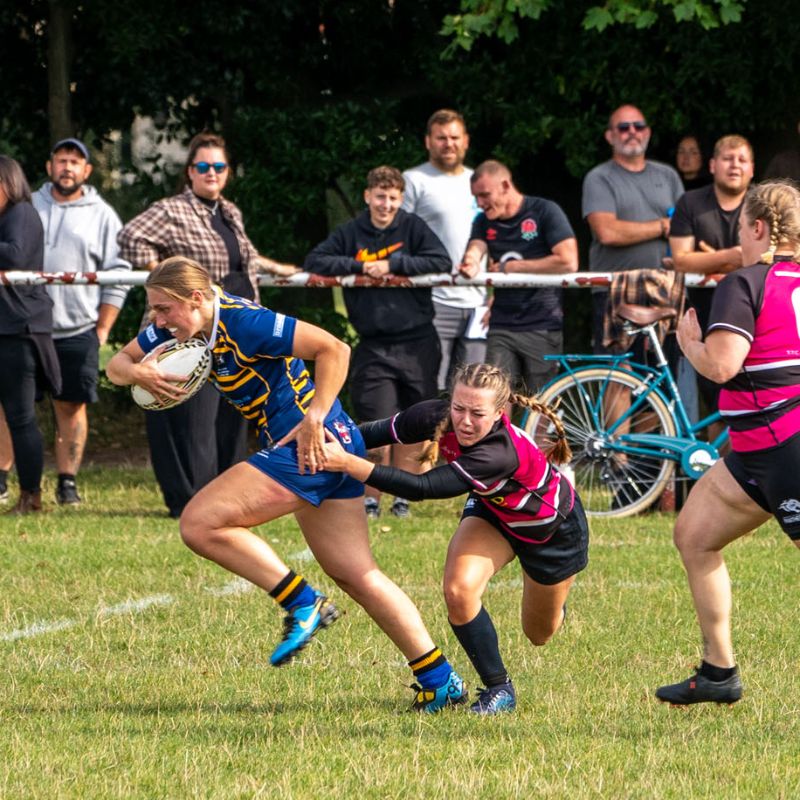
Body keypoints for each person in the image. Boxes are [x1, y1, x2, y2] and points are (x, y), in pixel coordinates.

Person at [106, 256, 466, 712]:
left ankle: (303, 602)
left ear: (195, 299)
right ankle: (440, 681)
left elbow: (335, 349)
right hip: (323, 446)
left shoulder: (245, 321)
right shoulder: (180, 325)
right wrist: (139, 373)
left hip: (310, 442)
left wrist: (316, 415)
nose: (156, 321)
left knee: (200, 523)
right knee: (358, 574)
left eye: (163, 310)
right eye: (153, 311)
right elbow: (118, 365)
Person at [322, 362, 589, 715]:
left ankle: (555, 599)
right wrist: (325, 435)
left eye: (476, 413)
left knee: (539, 633)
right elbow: (374, 433)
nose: (464, 421)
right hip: (494, 511)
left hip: (550, 531)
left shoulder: (499, 451)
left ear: (498, 414)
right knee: (459, 591)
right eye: (459, 408)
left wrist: (349, 464)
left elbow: (423, 487)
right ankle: (499, 689)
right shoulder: (437, 415)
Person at [656, 181, 800, 705]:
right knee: (694, 535)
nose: (739, 238)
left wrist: (691, 344)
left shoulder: (746, 282)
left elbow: (721, 365)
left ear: (759, 228)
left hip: (786, 445)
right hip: (756, 450)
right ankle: (719, 672)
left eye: (741, 228)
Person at [118, 131, 292, 518]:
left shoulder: (229, 212)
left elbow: (243, 260)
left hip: (233, 325)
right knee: (194, 417)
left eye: (219, 166)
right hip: (191, 328)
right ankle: (191, 501)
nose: (211, 173)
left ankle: (226, 500)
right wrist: (166, 280)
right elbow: (129, 238)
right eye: (203, 166)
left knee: (232, 417)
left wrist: (278, 269)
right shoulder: (172, 209)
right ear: (189, 172)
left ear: (227, 172)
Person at [304, 165, 451, 520]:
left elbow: (442, 261)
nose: (386, 204)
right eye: (380, 197)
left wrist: (393, 265)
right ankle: (371, 498)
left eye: (393, 198)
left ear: (401, 200)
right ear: (368, 196)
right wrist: (358, 266)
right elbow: (316, 261)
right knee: (376, 424)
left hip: (418, 340)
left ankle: (404, 498)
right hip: (373, 344)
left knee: (417, 423)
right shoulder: (352, 232)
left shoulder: (413, 227)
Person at [28, 138, 130, 505]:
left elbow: (118, 273)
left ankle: (67, 482)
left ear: (86, 171)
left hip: (77, 329)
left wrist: (103, 328)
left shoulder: (102, 214)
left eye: (75, 161)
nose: (67, 167)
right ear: (49, 166)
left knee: (71, 406)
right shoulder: (27, 206)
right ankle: (6, 478)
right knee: (13, 405)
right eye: (61, 160)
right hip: (27, 328)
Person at [461, 160, 578, 395]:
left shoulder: (544, 211)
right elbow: (476, 246)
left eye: (484, 195)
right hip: (501, 324)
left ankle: (538, 435)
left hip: (542, 323)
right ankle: (501, 434)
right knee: (494, 396)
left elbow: (568, 261)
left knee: (543, 402)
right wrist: (471, 261)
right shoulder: (483, 221)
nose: (479, 203)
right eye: (476, 197)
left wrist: (513, 268)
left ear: (505, 185)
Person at [582, 104, 684, 354]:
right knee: (618, 377)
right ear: (610, 135)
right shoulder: (599, 177)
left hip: (664, 286)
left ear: (647, 132)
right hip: (614, 289)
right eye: (623, 127)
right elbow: (607, 232)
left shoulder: (668, 175)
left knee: (663, 377)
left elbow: (684, 229)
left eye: (638, 126)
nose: (632, 132)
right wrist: (661, 226)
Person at [669, 134, 754, 425]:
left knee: (748, 401)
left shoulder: (761, 205)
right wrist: (733, 256)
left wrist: (707, 260)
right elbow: (681, 259)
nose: (735, 165)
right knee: (717, 403)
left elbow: (772, 258)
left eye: (742, 159)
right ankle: (720, 466)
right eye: (728, 159)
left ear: (752, 168)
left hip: (756, 315)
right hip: (704, 315)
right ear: (713, 165)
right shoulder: (691, 202)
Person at [402, 109, 485, 392]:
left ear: (466, 141)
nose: (448, 144)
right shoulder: (413, 180)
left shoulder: (480, 182)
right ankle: (428, 438)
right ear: (428, 142)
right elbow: (396, 235)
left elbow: (495, 234)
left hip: (478, 300)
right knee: (430, 387)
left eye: (454, 137)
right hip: (433, 298)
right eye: (441, 138)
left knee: (474, 387)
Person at [0, 155, 61, 513]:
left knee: (21, 416)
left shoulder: (21, 213)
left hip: (17, 330)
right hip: (8, 328)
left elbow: (16, 255)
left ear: (9, 183)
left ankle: (31, 495)